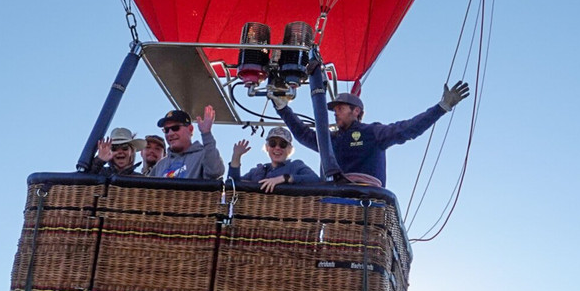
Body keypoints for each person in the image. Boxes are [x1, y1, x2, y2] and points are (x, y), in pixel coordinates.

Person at [272, 81, 470, 187]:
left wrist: (442, 107)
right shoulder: (331, 139)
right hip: (336, 201)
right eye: (334, 110)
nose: (335, 113)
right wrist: (283, 109)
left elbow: (408, 129)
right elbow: (303, 134)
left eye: (340, 108)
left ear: (356, 111)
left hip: (365, 200)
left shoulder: (373, 133)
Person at [229, 127, 319, 192]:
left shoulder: (296, 166)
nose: (277, 148)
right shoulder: (257, 171)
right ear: (267, 147)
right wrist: (236, 157)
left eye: (282, 144)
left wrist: (285, 178)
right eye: (273, 143)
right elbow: (231, 184)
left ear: (289, 149)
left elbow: (315, 180)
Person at [148, 106, 226, 180]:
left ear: (190, 129)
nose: (170, 133)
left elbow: (215, 172)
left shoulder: (203, 155)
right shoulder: (160, 165)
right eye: (166, 130)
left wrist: (206, 134)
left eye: (176, 128)